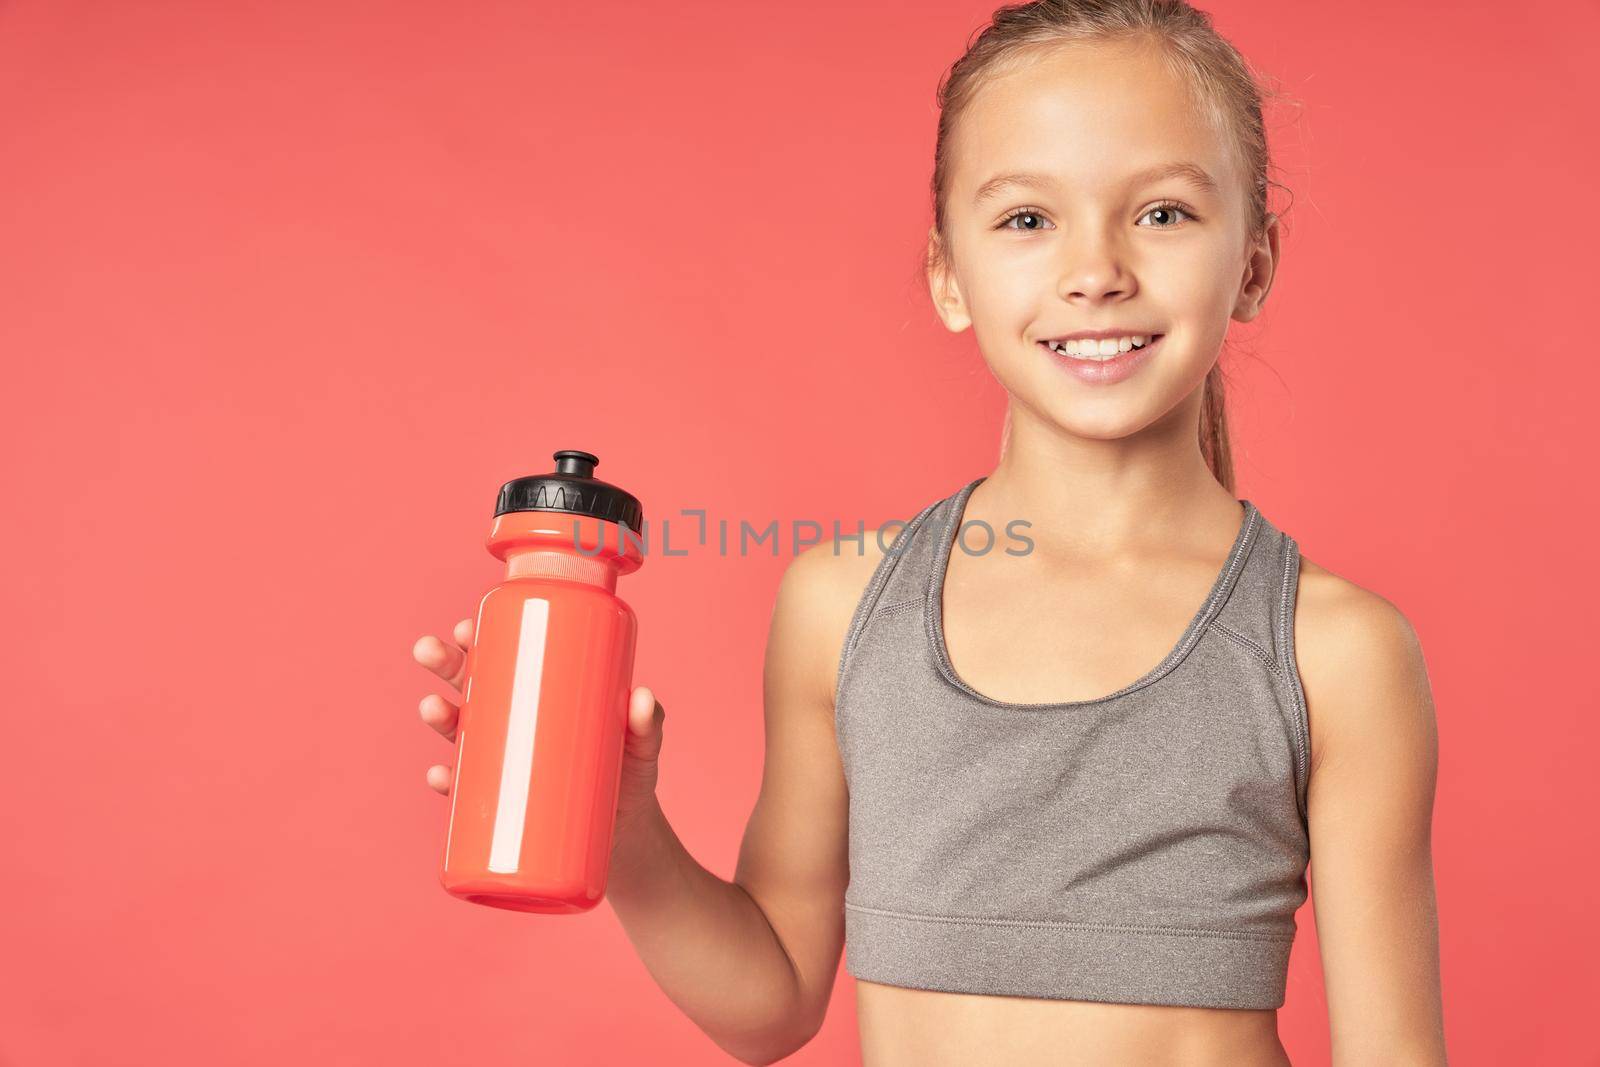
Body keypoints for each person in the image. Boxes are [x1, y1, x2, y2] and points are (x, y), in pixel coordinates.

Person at [413, 1, 1446, 1062]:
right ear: (948, 274)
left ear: (1256, 262)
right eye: (1027, 220)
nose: (1094, 270)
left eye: (1165, 213)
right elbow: (768, 1000)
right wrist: (621, 825)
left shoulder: (1333, 650)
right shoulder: (846, 604)